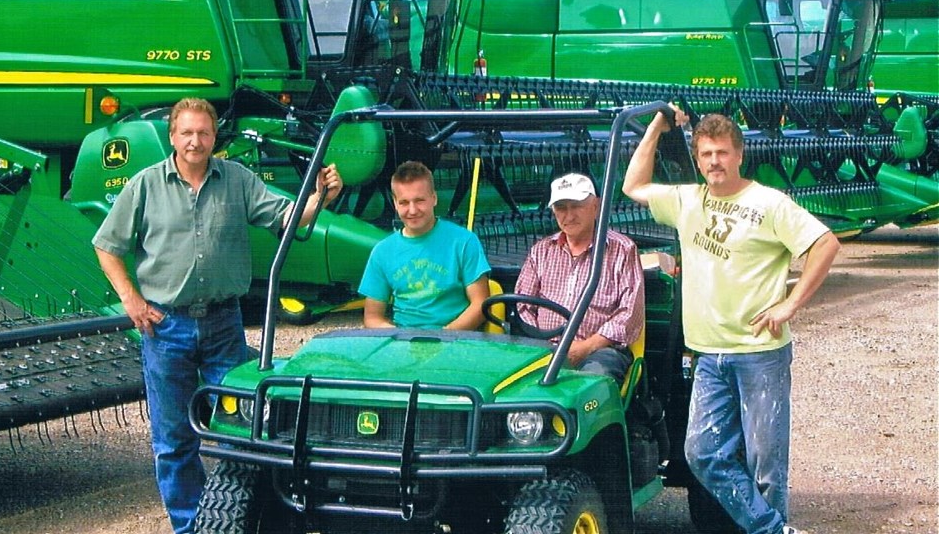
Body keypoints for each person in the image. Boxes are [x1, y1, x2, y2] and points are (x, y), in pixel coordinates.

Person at [92, 97, 343, 534]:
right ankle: (190, 528)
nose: (195, 141)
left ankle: (250, 519)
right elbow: (106, 246)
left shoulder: (238, 181)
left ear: (214, 137)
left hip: (224, 326)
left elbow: (288, 219)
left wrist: (320, 195)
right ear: (173, 136)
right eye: (186, 133)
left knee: (249, 429)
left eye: (203, 133)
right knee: (174, 441)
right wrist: (131, 300)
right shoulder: (145, 185)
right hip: (165, 327)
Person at [622, 107, 840, 534]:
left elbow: (825, 244)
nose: (713, 162)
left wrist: (790, 304)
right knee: (701, 453)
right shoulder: (686, 201)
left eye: (721, 152)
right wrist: (656, 127)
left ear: (739, 155)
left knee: (765, 465)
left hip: (759, 353)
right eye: (705, 154)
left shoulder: (768, 203)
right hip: (707, 355)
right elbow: (633, 185)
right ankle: (771, 529)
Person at [515, 173, 645, 380]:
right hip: (544, 347)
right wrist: (543, 342)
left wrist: (586, 347)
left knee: (589, 383)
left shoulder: (622, 250)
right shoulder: (541, 251)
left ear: (596, 206)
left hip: (600, 350)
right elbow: (522, 305)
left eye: (576, 206)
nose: (569, 216)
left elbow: (629, 315)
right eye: (561, 208)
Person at [359, 160, 491, 330]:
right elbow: (372, 318)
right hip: (405, 343)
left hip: (456, 340)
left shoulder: (464, 241)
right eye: (404, 203)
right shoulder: (382, 252)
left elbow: (480, 304)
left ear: (434, 198)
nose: (412, 210)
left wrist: (443, 336)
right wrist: (400, 338)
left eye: (419, 200)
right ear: (394, 203)